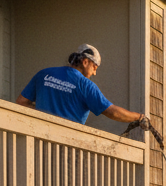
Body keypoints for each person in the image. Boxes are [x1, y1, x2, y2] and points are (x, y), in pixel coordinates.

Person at [17, 43, 150, 129]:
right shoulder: (85, 85)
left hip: (37, 140)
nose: (95, 73)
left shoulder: (44, 74)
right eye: (94, 67)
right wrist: (139, 117)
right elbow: (112, 112)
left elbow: (21, 102)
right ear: (85, 62)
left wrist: (43, 111)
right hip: (66, 146)